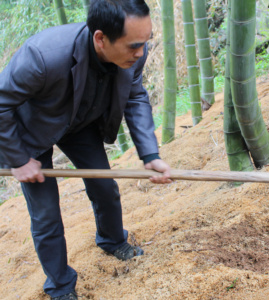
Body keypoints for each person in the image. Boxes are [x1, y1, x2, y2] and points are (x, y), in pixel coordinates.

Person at [0, 0, 171, 299]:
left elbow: (135, 97)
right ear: (100, 39)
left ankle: (112, 240)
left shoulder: (134, 53)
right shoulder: (43, 57)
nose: (141, 53)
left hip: (80, 123)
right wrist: (18, 159)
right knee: (46, 214)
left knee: (105, 186)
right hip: (31, 132)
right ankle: (60, 286)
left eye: (146, 43)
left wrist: (150, 155)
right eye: (134, 45)